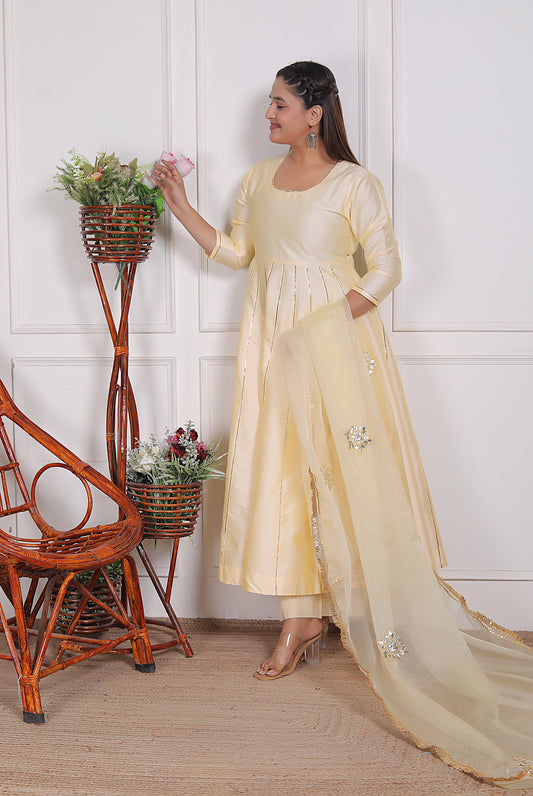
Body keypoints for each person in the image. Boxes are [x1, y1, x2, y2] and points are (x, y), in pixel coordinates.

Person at [153, 61, 533, 788]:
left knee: (340, 472)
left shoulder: (355, 184)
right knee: (283, 473)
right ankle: (300, 617)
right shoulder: (257, 182)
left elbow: (386, 269)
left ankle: (355, 614)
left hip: (334, 350)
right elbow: (236, 254)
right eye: (269, 104)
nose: (268, 115)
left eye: (279, 104)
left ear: (315, 113)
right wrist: (179, 202)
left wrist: (325, 326)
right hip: (271, 349)